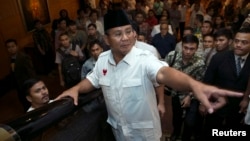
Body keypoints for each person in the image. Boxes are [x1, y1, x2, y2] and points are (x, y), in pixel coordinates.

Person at [55, 9, 242, 141]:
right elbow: (92, 80)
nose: (126, 37)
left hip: (144, 135)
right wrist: (76, 89)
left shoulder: (144, 58)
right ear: (106, 39)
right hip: (119, 132)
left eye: (129, 32)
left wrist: (193, 85)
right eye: (118, 34)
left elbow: (164, 73)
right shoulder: (103, 60)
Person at [201, 27, 250, 140]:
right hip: (216, 106)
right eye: (237, 41)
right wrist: (203, 102)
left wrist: (247, 99)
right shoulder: (219, 58)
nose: (238, 45)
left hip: (238, 109)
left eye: (244, 42)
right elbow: (207, 81)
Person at [165, 35, 206, 141]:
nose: (188, 51)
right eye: (185, 48)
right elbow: (163, 72)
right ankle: (176, 134)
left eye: (192, 49)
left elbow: (200, 83)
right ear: (181, 46)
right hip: (175, 94)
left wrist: (189, 96)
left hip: (192, 97)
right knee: (176, 119)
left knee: (190, 122)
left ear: (197, 49)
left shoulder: (200, 63)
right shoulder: (171, 56)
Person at [0, 39, 36, 111]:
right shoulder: (11, 58)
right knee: (22, 100)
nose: (11, 49)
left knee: (29, 100)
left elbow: (31, 72)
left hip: (26, 84)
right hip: (18, 85)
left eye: (13, 46)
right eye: (8, 47)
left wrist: (32, 85)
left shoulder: (23, 57)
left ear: (17, 46)